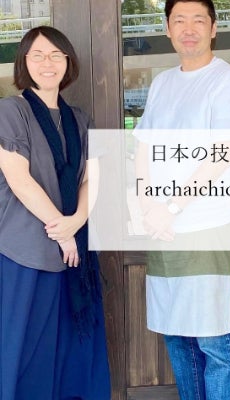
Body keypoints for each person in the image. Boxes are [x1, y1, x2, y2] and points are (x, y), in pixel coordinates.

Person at [133, 0, 230, 399]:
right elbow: (144, 147)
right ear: (167, 29)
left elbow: (225, 151)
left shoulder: (226, 79)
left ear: (213, 28)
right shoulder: (163, 82)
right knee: (176, 334)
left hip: (207, 224)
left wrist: (171, 207)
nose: (188, 28)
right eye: (179, 20)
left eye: (198, 20)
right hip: (164, 228)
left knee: (213, 337)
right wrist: (148, 206)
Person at [0, 26, 110, 400]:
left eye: (55, 55)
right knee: (26, 352)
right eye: (37, 55)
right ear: (24, 62)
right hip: (25, 253)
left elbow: (92, 177)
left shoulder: (79, 118)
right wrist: (63, 232)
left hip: (74, 254)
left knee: (72, 354)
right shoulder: (10, 111)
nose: (47, 63)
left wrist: (76, 222)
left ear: (68, 62)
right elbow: (20, 180)